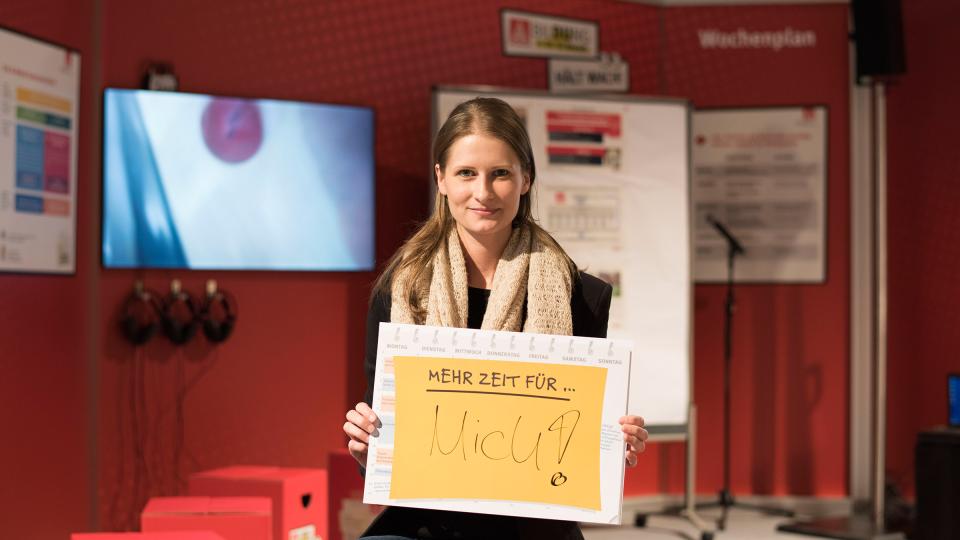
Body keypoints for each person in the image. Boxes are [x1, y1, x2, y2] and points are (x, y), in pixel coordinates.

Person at [342, 97, 648, 540]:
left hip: (534, 523)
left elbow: (577, 447)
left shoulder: (582, 296)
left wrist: (612, 444)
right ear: (441, 179)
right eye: (466, 173)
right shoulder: (400, 290)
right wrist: (366, 443)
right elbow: (384, 448)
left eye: (500, 174)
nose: (483, 192)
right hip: (429, 516)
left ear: (526, 179)